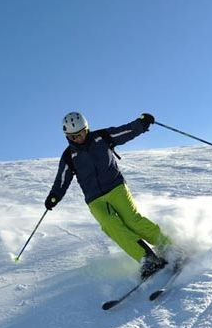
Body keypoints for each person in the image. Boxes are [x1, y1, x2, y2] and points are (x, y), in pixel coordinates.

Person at [45, 111, 171, 279]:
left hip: (115, 187)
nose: (78, 139)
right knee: (112, 226)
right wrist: (54, 195)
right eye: (73, 137)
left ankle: (169, 247)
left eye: (80, 134)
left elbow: (125, 131)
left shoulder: (102, 137)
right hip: (94, 199)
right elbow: (62, 178)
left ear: (86, 129)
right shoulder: (69, 155)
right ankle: (147, 259)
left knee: (132, 220)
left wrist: (141, 124)